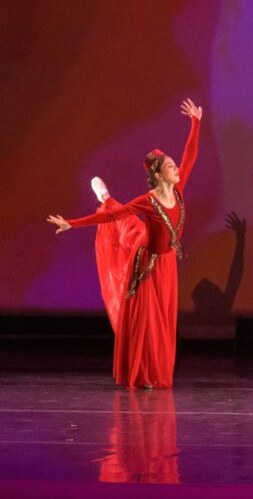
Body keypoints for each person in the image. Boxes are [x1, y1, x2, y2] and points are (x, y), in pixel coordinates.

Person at [47, 98, 203, 389]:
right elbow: (115, 217)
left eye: (174, 165)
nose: (176, 168)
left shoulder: (178, 189)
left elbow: (190, 156)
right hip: (147, 264)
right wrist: (72, 223)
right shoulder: (148, 200)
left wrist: (195, 123)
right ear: (157, 175)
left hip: (166, 263)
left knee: (163, 322)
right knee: (123, 223)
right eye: (170, 166)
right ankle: (104, 198)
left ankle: (156, 371)